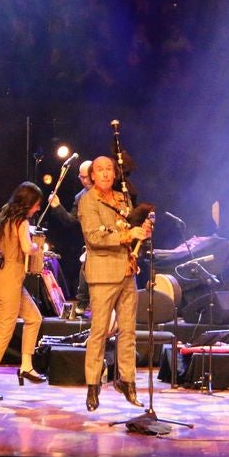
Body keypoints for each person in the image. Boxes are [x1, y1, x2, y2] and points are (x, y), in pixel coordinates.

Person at [79, 156, 152, 411]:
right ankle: (92, 385)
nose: (106, 174)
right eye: (100, 170)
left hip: (126, 271)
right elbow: (95, 236)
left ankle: (127, 382)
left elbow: (130, 229)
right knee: (99, 332)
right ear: (92, 175)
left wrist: (140, 233)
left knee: (128, 331)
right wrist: (126, 234)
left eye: (109, 169)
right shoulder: (88, 201)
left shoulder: (122, 198)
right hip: (102, 274)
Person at [0, 181, 47, 401]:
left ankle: (26, 365)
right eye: (36, 205)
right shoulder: (22, 223)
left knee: (34, 318)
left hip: (5, 275)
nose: (37, 209)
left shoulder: (5, 218)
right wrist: (36, 246)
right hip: (10, 279)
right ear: (28, 203)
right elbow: (27, 248)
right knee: (5, 330)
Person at [47, 159, 93, 315]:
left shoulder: (110, 193)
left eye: (87, 176)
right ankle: (82, 303)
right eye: (81, 177)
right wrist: (57, 207)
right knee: (85, 270)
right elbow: (71, 221)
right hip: (91, 243)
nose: (84, 180)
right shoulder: (81, 196)